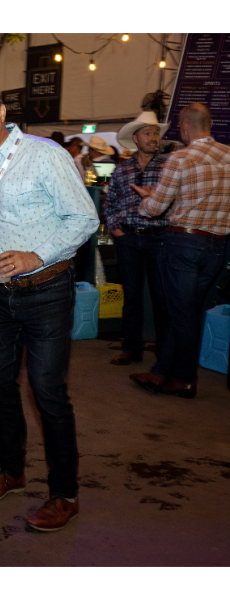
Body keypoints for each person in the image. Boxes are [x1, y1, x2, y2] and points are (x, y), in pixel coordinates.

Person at [0, 81, 99, 532]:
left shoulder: (44, 154)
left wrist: (37, 255)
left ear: (1, 112)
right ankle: (12, 471)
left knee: (48, 391)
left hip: (46, 290)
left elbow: (85, 218)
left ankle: (64, 493)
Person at [130, 103, 230, 399]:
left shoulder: (180, 158)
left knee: (181, 315)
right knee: (186, 312)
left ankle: (184, 378)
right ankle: (162, 373)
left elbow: (155, 209)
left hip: (184, 243)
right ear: (209, 124)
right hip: (217, 246)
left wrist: (146, 199)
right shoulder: (229, 155)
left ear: (185, 126)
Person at [103, 112, 171, 367]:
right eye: (148, 133)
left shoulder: (169, 167)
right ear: (135, 138)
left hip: (159, 238)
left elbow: (179, 202)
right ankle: (131, 348)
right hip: (129, 239)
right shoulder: (122, 169)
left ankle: (165, 352)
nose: (153, 137)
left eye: (156, 133)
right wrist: (118, 232)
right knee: (131, 296)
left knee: (161, 297)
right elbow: (109, 204)